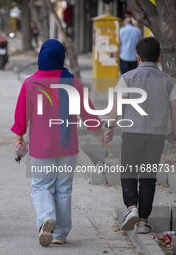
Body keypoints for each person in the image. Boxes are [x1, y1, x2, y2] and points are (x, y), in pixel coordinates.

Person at [11, 39, 105, 247]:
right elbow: (87, 110)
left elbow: (21, 115)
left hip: (41, 146)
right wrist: (99, 131)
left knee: (41, 186)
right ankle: (60, 233)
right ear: (61, 57)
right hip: (67, 146)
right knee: (63, 188)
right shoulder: (72, 82)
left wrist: (20, 137)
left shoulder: (30, 83)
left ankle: (46, 217)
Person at [104, 37, 176, 233]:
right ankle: (143, 221)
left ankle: (131, 208)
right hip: (156, 136)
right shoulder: (168, 81)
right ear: (159, 57)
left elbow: (118, 105)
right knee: (148, 176)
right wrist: (173, 134)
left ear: (137, 57)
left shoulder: (127, 77)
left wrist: (109, 126)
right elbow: (174, 109)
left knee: (128, 172)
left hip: (132, 133)